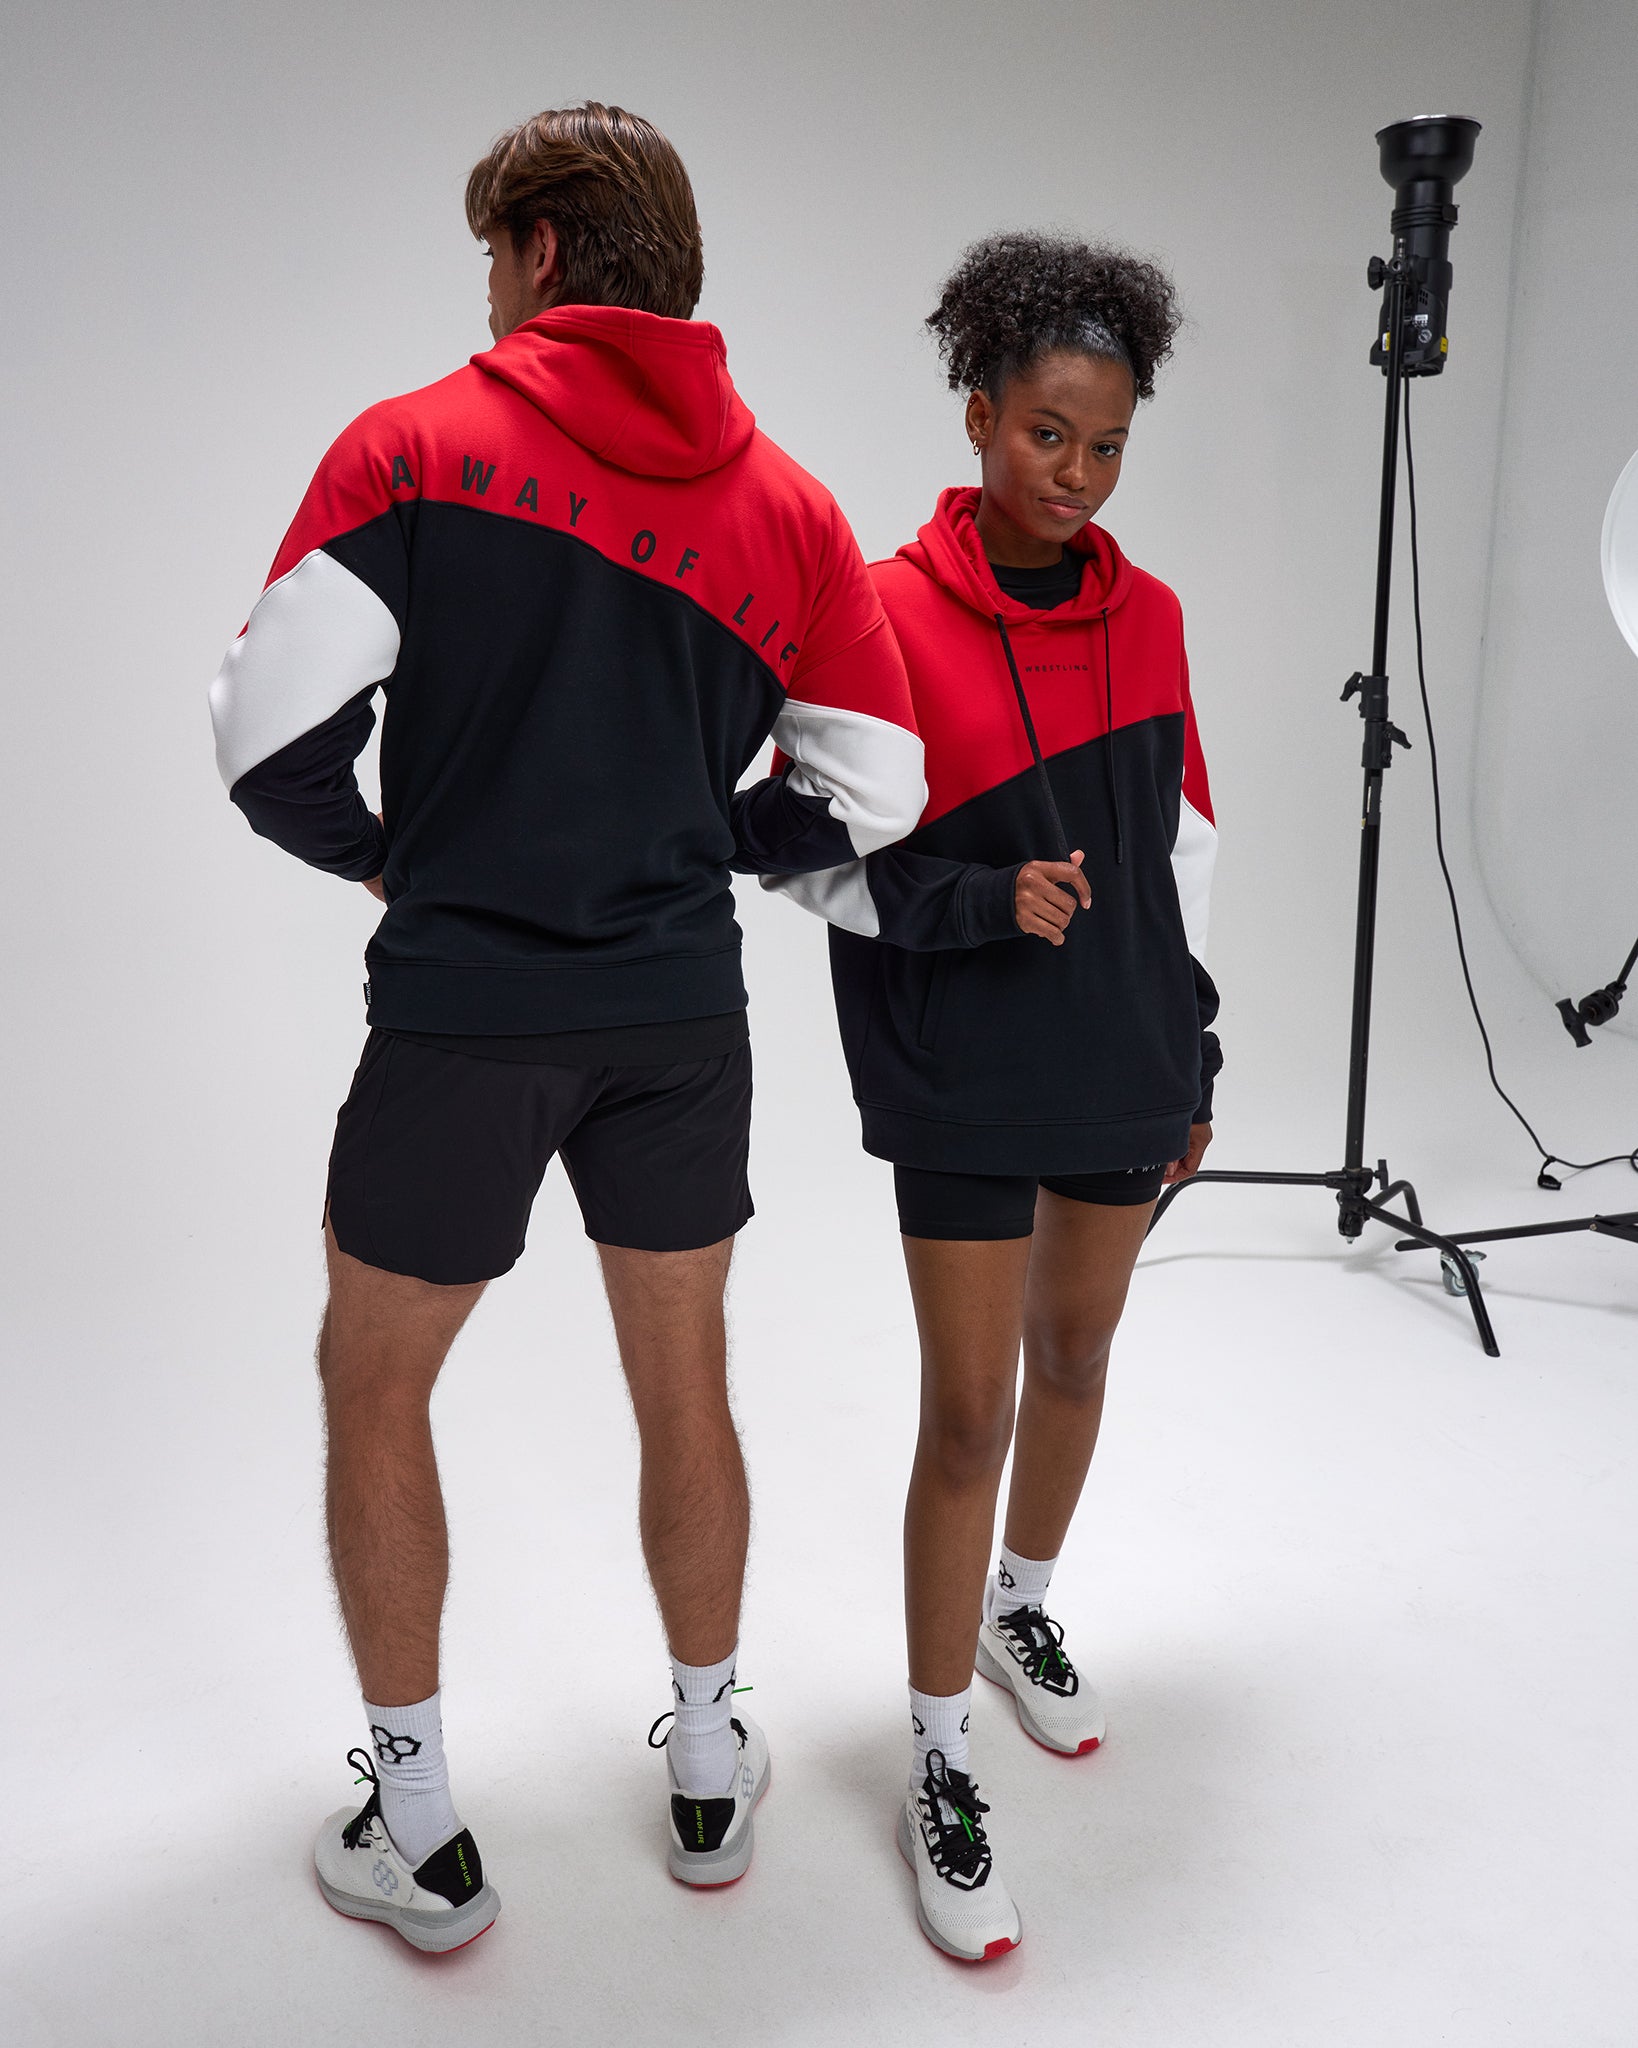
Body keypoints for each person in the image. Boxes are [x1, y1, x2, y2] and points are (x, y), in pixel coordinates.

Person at [208, 102, 924, 1952]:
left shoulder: (414, 448)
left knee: (374, 1384)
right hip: (678, 1014)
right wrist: (709, 840)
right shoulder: (789, 507)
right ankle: (705, 1769)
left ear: (535, 253)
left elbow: (263, 740)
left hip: (461, 1016)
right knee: (682, 1383)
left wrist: (395, 861)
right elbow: (880, 786)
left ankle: (422, 1835)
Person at [770, 232, 1219, 1960]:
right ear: (976, 414)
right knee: (965, 1416)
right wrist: (966, 902)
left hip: (1118, 1057)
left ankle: (1022, 1611)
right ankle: (937, 1748)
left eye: (1107, 445)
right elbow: (780, 848)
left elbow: (1177, 853)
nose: (1078, 475)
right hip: (957, 1066)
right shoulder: (875, 614)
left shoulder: (1155, 615)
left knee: (1081, 1358)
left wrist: (1195, 1041)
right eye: (1047, 434)